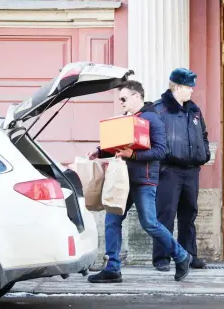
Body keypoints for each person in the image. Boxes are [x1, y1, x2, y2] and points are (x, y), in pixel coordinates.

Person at [87, 80, 192, 283]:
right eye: (120, 99)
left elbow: (161, 151)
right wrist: (99, 151)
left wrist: (132, 155)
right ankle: (112, 268)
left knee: (150, 223)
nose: (121, 102)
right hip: (122, 179)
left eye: (124, 98)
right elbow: (117, 145)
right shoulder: (127, 119)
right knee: (112, 220)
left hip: (143, 180)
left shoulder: (153, 117)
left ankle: (182, 256)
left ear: (137, 96)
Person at [151, 68, 210, 272]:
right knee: (165, 214)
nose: (192, 91)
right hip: (169, 170)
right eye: (188, 87)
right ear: (176, 87)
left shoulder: (194, 110)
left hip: (191, 170)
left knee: (189, 215)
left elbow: (203, 133)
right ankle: (162, 258)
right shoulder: (158, 110)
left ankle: (189, 255)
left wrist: (205, 154)